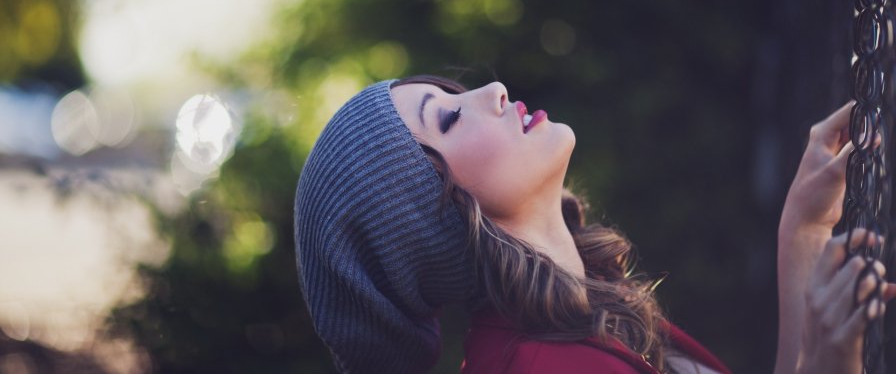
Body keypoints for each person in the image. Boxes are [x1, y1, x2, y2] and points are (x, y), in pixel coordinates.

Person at [294, 74, 896, 374]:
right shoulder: (539, 367)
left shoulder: (585, 310)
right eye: (447, 119)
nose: (494, 90)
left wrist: (803, 231)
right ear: (430, 218)